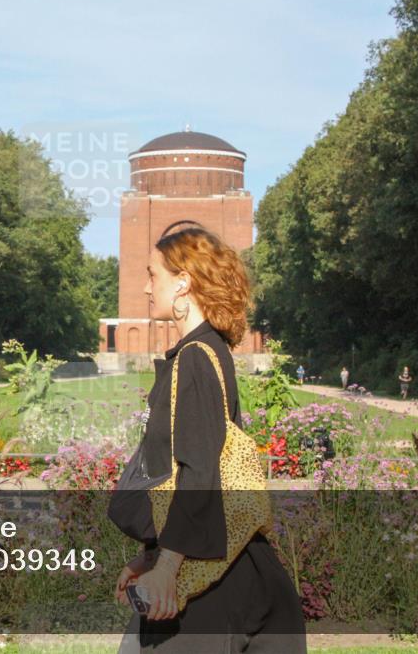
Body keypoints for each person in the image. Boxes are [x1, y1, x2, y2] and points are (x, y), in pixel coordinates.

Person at [113, 221, 306, 653]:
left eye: (153, 275)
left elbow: (199, 471)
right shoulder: (209, 352)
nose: (147, 288)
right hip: (231, 568)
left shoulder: (197, 359)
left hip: (212, 591)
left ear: (182, 283)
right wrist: (149, 557)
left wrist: (165, 568)